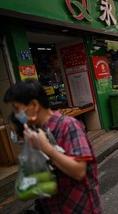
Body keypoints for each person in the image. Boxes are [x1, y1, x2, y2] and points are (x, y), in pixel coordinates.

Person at [4, 79, 102, 214]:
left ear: (34, 105)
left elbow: (79, 171)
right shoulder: (36, 131)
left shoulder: (68, 125)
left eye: (17, 109)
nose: (16, 115)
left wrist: (47, 148)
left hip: (78, 206)